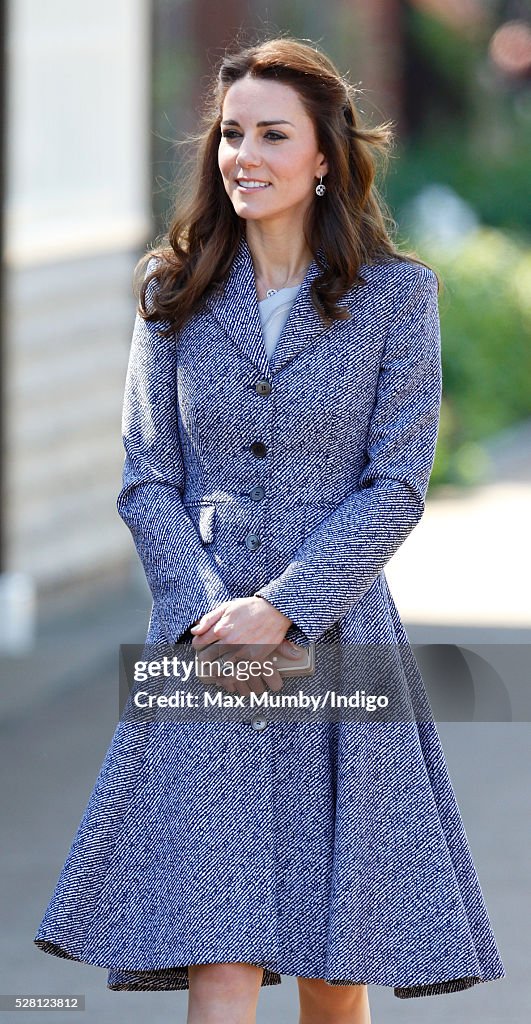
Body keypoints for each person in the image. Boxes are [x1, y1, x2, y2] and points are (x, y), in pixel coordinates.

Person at [34, 36, 506, 1024]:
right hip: (200, 650)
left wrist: (285, 607)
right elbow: (147, 475)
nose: (244, 154)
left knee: (337, 970)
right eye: (231, 134)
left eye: (272, 134)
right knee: (222, 952)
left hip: (342, 642)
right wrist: (212, 613)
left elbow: (398, 483)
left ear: (326, 156)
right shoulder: (171, 295)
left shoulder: (398, 299)